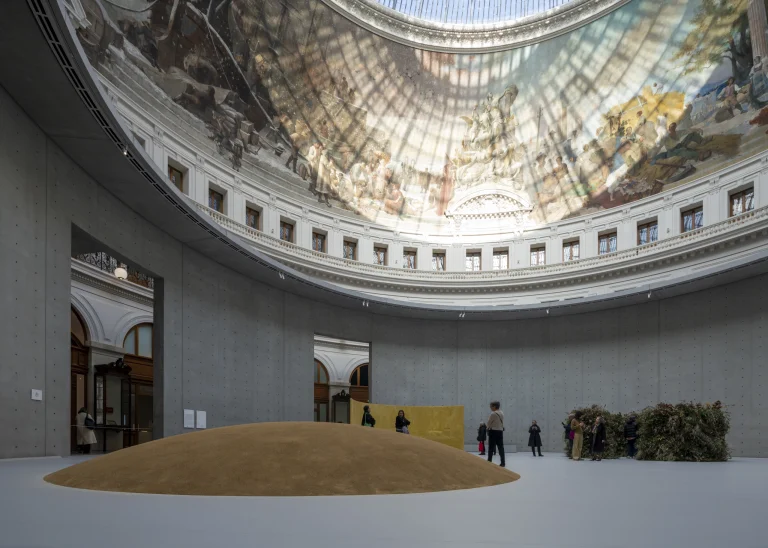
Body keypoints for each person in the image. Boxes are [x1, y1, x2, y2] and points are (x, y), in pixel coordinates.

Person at [486, 401, 505, 468]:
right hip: (500, 431)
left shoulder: (493, 414)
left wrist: (487, 428)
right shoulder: (502, 413)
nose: (490, 407)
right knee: (501, 447)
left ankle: (489, 461)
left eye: (491, 406)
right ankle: (503, 462)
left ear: (494, 406)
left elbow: (489, 423)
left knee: (491, 447)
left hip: (493, 431)